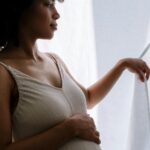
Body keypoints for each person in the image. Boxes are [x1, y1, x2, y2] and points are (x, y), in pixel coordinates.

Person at [0, 0, 149, 150]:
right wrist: (69, 129)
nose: (56, 14)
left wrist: (121, 65)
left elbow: (88, 98)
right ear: (20, 9)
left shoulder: (54, 60)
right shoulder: (3, 72)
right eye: (48, 4)